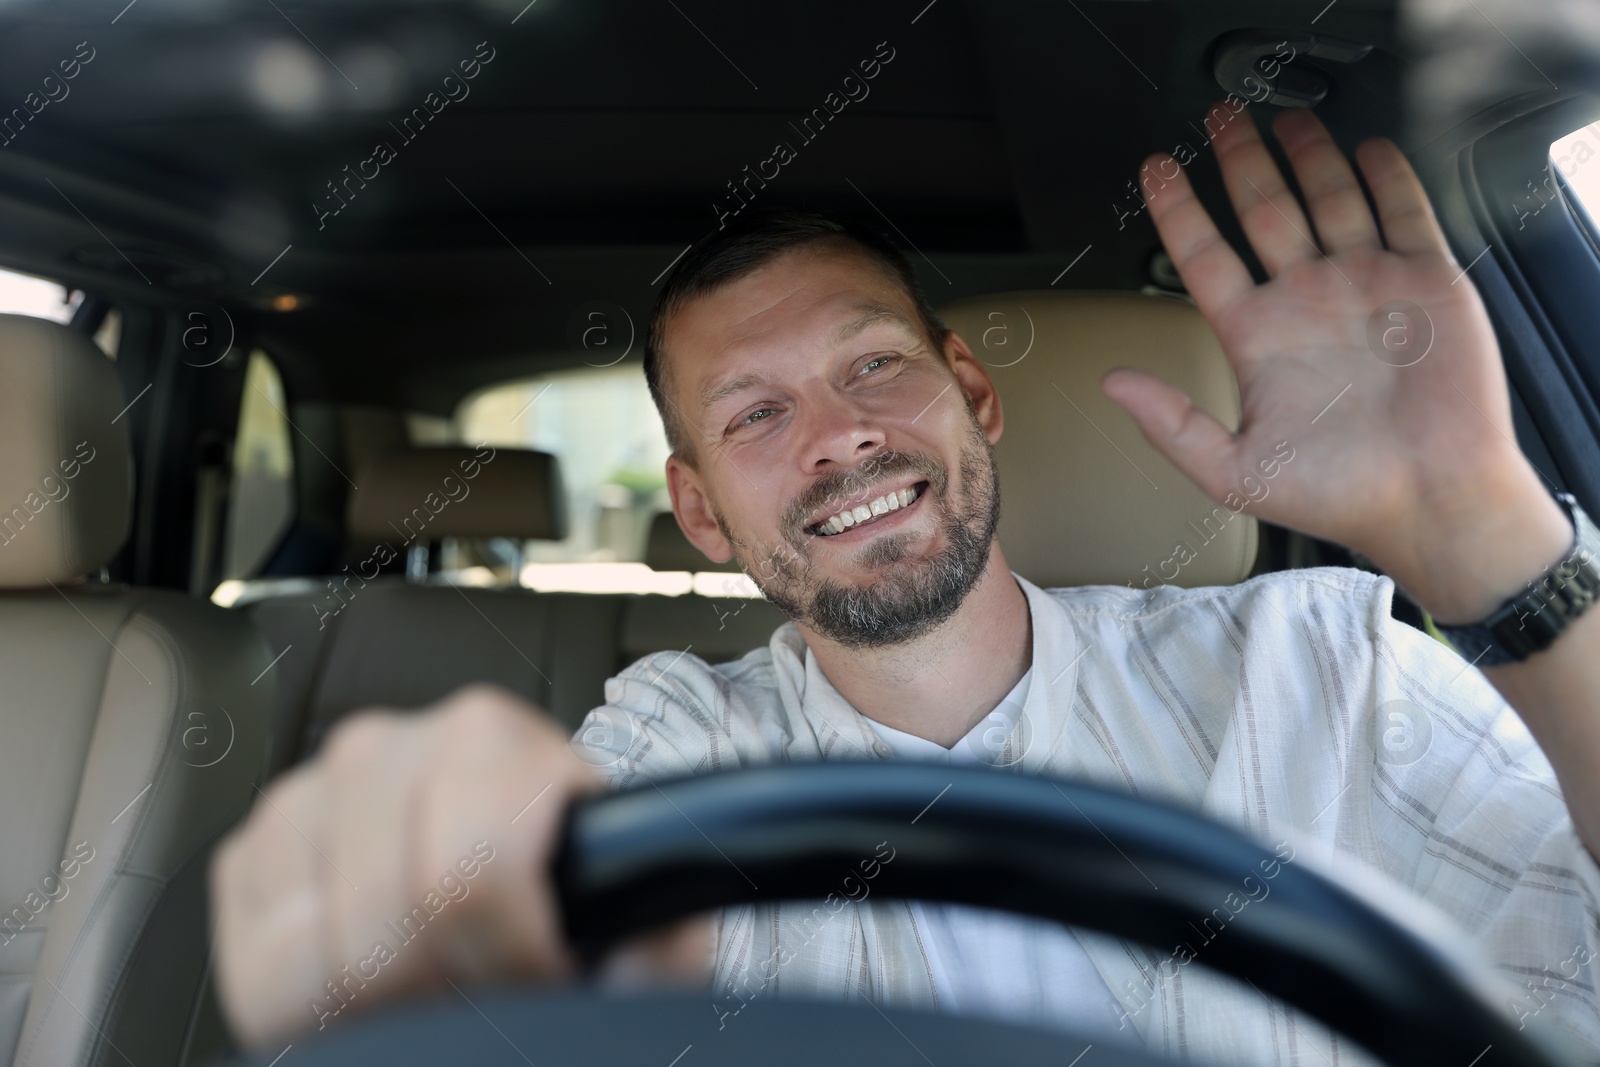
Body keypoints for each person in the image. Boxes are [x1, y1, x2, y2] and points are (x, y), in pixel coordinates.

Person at [210, 103, 1600, 1063]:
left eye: (875, 364)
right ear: (698, 509)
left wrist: (1488, 542)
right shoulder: (680, 743)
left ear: (972, 395)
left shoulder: (1317, 670)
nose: (837, 436)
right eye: (753, 415)